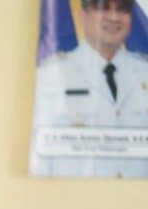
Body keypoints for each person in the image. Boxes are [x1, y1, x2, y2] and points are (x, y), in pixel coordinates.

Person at [31, 0, 148, 177]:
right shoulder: (51, 75)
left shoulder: (144, 72)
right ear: (83, 17)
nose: (114, 17)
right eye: (103, 7)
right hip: (77, 198)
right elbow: (39, 156)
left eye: (122, 9)